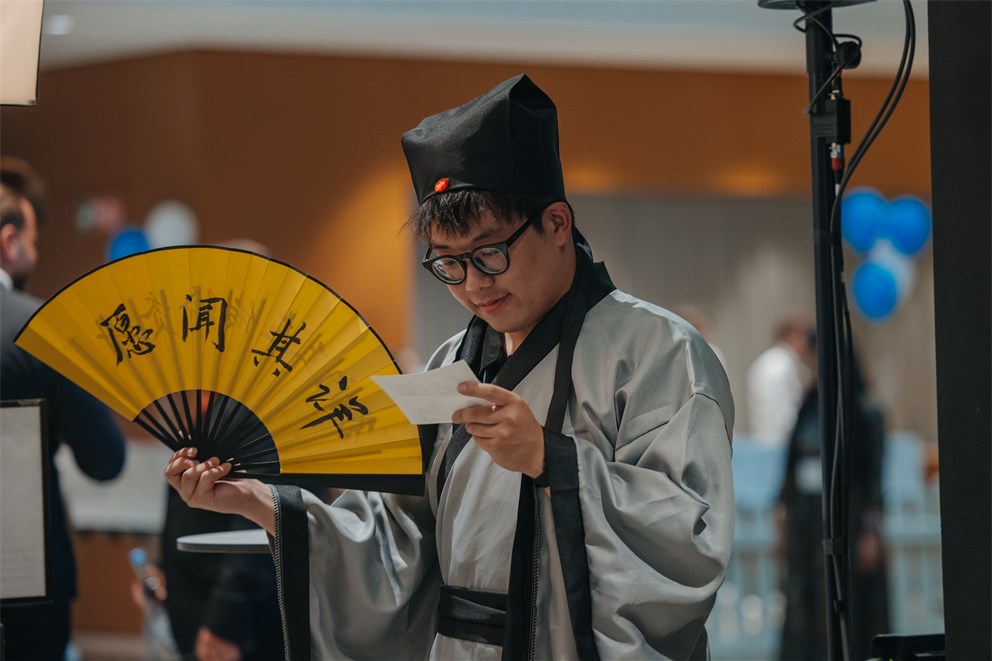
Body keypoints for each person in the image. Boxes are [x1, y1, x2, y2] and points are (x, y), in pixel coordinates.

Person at [166, 74, 735, 659]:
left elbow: (688, 535)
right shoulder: (453, 361)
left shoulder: (659, 350)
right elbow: (396, 536)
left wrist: (550, 458)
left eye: (491, 252)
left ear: (558, 224)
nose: (474, 285)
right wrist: (259, 501)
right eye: (449, 264)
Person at [0, 157, 127, 660]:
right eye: (32, 242)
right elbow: (104, 461)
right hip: (22, 584)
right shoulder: (43, 330)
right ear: (9, 242)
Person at [775, 334, 890, 661]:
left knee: (848, 600)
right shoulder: (807, 407)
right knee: (803, 606)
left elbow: (873, 478)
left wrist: (871, 531)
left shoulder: (865, 412)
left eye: (813, 360)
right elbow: (790, 467)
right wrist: (782, 521)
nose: (808, 368)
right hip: (805, 524)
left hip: (847, 522)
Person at [745, 311, 814, 447]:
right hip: (778, 445)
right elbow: (782, 417)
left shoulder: (777, 362)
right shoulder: (779, 366)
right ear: (794, 335)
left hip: (771, 443)